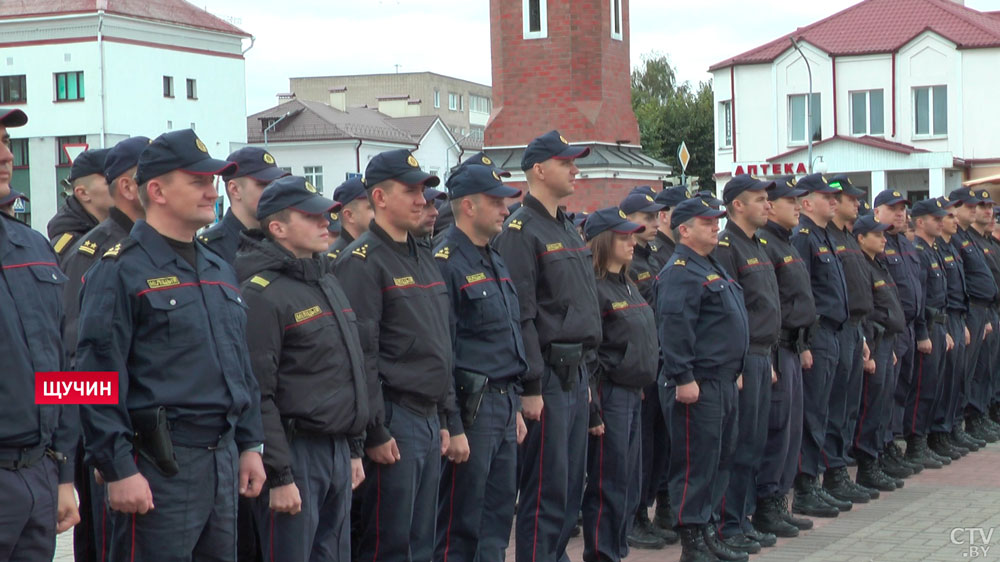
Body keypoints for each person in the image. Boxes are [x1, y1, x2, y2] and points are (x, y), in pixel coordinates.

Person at [76, 128, 266, 561]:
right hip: (159, 465)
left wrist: (251, 445)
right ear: (157, 190)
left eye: (212, 180)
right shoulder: (120, 270)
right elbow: (90, 377)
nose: (211, 190)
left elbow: (240, 365)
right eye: (198, 180)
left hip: (221, 459)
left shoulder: (218, 267)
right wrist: (117, 467)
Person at [333, 148, 456, 562]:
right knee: (390, 543)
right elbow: (361, 356)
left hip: (425, 417)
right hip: (394, 417)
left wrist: (443, 416)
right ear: (380, 198)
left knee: (422, 540)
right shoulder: (362, 262)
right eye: (412, 191)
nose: (423, 199)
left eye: (423, 190)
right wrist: (376, 430)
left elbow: (439, 342)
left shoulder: (422, 255)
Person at [235, 175, 368, 561]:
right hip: (297, 452)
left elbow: (352, 370)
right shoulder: (262, 294)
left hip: (337, 451)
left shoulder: (326, 280)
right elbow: (259, 392)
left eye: (325, 215)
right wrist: (280, 475)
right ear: (277, 227)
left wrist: (354, 449)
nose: (325, 223)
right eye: (311, 217)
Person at [493, 130, 601, 562]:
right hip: (549, 378)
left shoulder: (567, 227)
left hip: (576, 375)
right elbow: (524, 315)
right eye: (566, 162)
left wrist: (587, 376)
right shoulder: (521, 229)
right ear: (539, 169)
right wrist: (532, 385)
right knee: (545, 488)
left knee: (571, 485)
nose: (575, 169)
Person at [57, 135, 149, 562]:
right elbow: (76, 358)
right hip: (112, 443)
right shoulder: (93, 252)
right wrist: (99, 447)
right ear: (130, 187)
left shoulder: (162, 250)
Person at [432, 164, 528, 562]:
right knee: (461, 524)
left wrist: (516, 404)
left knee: (496, 519)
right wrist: (451, 424)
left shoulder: (494, 258)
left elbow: (506, 336)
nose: (505, 209)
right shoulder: (446, 261)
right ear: (468, 206)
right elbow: (445, 351)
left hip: (503, 404)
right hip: (472, 409)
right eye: (496, 201)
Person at [0, 107, 80, 560]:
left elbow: (63, 365)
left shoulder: (31, 245)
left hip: (37, 477)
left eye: (7, 142)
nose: (6, 156)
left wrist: (63, 472)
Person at [656, 197, 748, 562]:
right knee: (696, 462)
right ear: (684, 229)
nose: (715, 226)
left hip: (722, 380)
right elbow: (675, 328)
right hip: (698, 383)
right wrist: (682, 377)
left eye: (716, 220)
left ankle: (707, 528)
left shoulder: (709, 265)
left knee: (720, 459)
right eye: (707, 221)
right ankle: (692, 541)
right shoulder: (680, 270)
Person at [580, 207, 659, 562]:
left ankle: (617, 548)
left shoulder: (626, 282)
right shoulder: (594, 288)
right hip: (609, 395)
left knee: (627, 480)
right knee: (607, 482)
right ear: (604, 241)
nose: (631, 242)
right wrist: (595, 408)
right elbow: (592, 353)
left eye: (632, 236)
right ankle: (602, 553)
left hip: (632, 393)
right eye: (623, 236)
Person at [714, 175, 781, 554]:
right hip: (742, 358)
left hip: (761, 354)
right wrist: (739, 362)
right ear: (738, 205)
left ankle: (742, 518)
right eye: (760, 200)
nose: (767, 205)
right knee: (737, 445)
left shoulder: (757, 244)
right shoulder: (727, 247)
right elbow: (730, 312)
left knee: (754, 442)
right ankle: (727, 524)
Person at [752, 176, 814, 538]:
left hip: (793, 346)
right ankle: (767, 503)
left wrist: (803, 342)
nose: (798, 206)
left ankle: (779, 499)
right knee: (775, 429)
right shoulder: (766, 244)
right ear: (771, 206)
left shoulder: (784, 243)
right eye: (791, 201)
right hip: (774, 349)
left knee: (790, 430)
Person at [789, 173, 850, 519]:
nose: (834, 201)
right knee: (812, 414)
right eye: (826, 196)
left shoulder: (825, 236)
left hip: (835, 333)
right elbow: (803, 293)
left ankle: (823, 477)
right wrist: (805, 342)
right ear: (806, 202)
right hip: (817, 334)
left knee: (827, 410)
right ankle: (805, 485)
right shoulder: (804, 238)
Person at [619, 186, 675, 549]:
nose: (654, 223)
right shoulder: (626, 262)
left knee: (656, 446)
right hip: (639, 368)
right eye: (647, 218)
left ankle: (646, 509)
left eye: (656, 217)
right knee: (639, 450)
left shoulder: (651, 257)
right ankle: (634, 516)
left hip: (658, 364)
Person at [821, 175, 878, 505]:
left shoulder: (843, 237)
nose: (856, 204)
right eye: (850, 199)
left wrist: (863, 334)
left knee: (847, 408)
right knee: (830, 410)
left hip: (853, 329)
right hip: (832, 332)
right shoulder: (819, 236)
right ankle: (830, 474)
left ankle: (839, 470)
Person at [871, 189, 925, 480]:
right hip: (889, 328)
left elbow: (918, 289)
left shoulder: (905, 244)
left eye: (903, 209)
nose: (901, 214)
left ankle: (890, 443)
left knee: (901, 389)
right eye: (893, 209)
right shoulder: (877, 243)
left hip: (910, 326)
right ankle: (882, 446)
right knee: (884, 394)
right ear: (877, 212)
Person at [851, 213, 906, 492]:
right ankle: (866, 466)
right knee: (870, 408)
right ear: (861, 238)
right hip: (873, 343)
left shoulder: (878, 264)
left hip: (887, 342)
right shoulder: (861, 265)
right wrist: (869, 349)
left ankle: (877, 459)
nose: (885, 239)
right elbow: (866, 311)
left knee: (882, 405)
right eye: (878, 234)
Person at [947, 187, 998, 446]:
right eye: (971, 206)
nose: (979, 210)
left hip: (983, 310)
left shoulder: (969, 238)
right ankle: (962, 421)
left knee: (981, 368)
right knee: (965, 372)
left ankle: (973, 417)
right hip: (969, 312)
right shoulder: (957, 238)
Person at [906, 198, 954, 468]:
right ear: (920, 221)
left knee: (934, 388)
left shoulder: (932, 250)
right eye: (936, 218)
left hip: (939, 325)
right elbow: (920, 298)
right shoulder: (919, 251)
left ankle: (923, 440)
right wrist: (923, 332)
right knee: (922, 389)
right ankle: (915, 446)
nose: (941, 221)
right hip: (927, 327)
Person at [929, 197, 973, 459]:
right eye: (948, 217)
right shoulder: (930, 250)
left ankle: (949, 429)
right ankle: (937, 434)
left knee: (956, 378)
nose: (954, 221)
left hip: (956, 318)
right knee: (940, 383)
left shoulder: (948, 248)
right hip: (941, 320)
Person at [198, 146, 289, 264]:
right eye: (264, 184)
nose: (274, 191)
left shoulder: (284, 239)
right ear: (235, 189)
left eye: (276, 184)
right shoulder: (210, 248)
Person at [963, 188, 1000, 441]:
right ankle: (975, 416)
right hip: (976, 311)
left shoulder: (987, 242)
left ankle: (985, 411)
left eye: (989, 207)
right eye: (981, 206)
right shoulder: (968, 240)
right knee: (976, 368)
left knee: (988, 366)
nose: (987, 211)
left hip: (990, 309)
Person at [49, 148, 113, 265]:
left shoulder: (115, 231)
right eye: (110, 180)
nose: (122, 186)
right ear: (83, 193)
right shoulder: (71, 249)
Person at [328, 177, 373, 259]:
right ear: (349, 215)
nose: (378, 212)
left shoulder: (375, 249)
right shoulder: (335, 259)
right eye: (371, 207)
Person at [649, 185, 689, 269]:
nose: (690, 218)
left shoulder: (685, 246)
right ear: (664, 216)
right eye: (682, 213)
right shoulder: (654, 254)